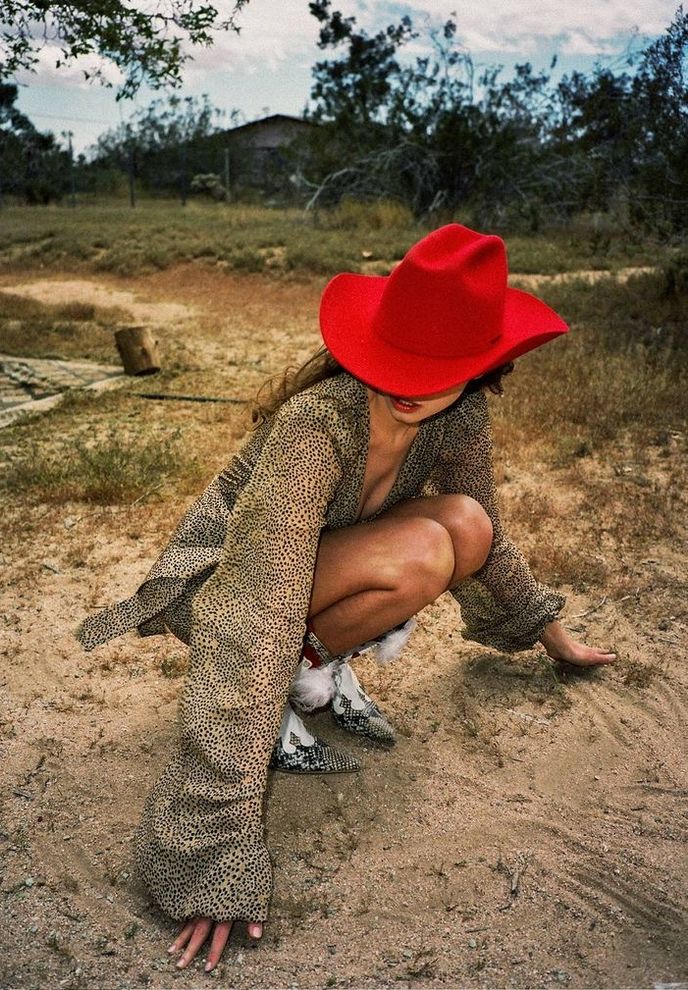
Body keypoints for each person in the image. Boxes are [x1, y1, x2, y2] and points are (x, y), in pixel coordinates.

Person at [77, 223, 616, 973]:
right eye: (399, 356)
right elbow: (251, 605)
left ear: (481, 367)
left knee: (464, 523)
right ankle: (278, 693)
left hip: (305, 587)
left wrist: (546, 629)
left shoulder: (458, 415)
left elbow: (486, 530)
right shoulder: (314, 425)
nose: (408, 383)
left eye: (438, 365)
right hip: (223, 590)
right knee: (425, 547)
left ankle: (302, 668)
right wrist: (213, 846)